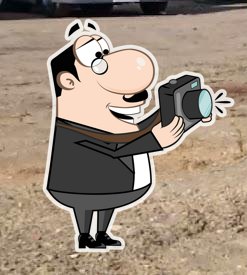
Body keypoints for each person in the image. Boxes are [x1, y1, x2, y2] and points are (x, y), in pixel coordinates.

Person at [43, 19, 229, 251]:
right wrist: (155, 141)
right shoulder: (75, 128)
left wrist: (171, 112)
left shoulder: (115, 125)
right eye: (97, 61)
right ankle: (84, 236)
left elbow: (135, 131)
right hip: (78, 187)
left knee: (105, 203)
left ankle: (101, 234)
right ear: (69, 81)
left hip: (113, 186)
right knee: (89, 202)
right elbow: (113, 149)